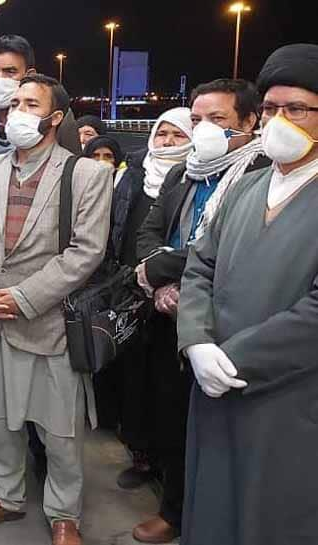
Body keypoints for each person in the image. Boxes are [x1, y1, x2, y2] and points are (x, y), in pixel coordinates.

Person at [0, 74, 112, 545]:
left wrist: (23, 298)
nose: (16, 111)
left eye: (30, 103)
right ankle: (6, 497)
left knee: (60, 431)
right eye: (14, 103)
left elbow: (86, 252)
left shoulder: (86, 174)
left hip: (48, 324)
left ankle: (64, 512)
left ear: (55, 117)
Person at [177, 43, 318, 545]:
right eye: (273, 109)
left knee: (272, 514)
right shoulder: (245, 186)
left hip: (287, 397)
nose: (281, 121)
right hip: (211, 381)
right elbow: (199, 266)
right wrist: (195, 341)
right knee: (212, 503)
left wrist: (233, 360)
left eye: (297, 108)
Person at [131, 79, 267, 544]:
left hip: (223, 321)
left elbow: (219, 250)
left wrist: (167, 268)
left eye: (218, 120)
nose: (203, 130)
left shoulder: (260, 175)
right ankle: (175, 509)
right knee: (172, 416)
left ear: (249, 123)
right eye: (197, 120)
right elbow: (148, 235)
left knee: (222, 426)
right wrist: (161, 281)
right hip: (169, 315)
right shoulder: (183, 174)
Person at [109, 107, 193, 492]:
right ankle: (141, 456)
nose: (168, 143)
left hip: (177, 299)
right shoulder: (134, 178)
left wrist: (163, 280)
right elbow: (131, 232)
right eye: (163, 135)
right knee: (135, 379)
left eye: (178, 135)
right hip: (134, 291)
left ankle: (168, 467)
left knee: (168, 386)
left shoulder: (191, 181)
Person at [0, 35, 81, 165]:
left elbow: (73, 169)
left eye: (10, 71)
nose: (0, 79)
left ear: (30, 74)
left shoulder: (55, 120)